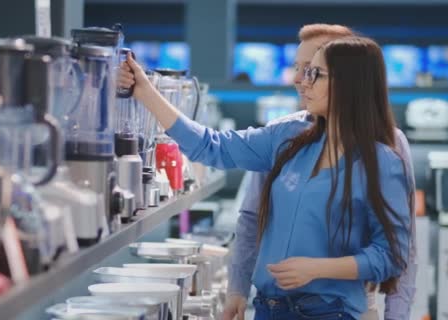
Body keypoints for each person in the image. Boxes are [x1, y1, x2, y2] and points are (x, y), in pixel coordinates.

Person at [120, 36, 411, 320]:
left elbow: (391, 255)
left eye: (316, 74)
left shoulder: (382, 162)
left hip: (331, 311)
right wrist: (146, 92)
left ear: (348, 85)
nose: (304, 81)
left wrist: (319, 268)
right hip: (269, 308)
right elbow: (212, 147)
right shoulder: (287, 138)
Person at [224, 25, 417, 320]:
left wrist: (396, 316)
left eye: (313, 69)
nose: (300, 80)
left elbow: (401, 249)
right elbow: (253, 218)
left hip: (352, 306)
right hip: (277, 305)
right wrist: (237, 288)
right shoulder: (285, 135)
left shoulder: (387, 145)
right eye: (298, 68)